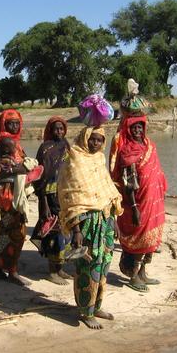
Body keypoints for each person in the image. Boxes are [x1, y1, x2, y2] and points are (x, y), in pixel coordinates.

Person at [58, 126, 123, 329]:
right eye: (92, 140)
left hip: (106, 220)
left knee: (104, 265)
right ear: (85, 139)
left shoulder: (99, 160)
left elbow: (108, 191)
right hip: (87, 223)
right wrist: (76, 230)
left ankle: (97, 306)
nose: (96, 144)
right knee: (89, 266)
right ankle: (85, 311)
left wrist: (116, 221)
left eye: (99, 140)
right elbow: (71, 197)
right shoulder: (74, 160)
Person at [110, 114, 167, 292]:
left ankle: (143, 272)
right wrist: (134, 208)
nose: (137, 130)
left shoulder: (150, 146)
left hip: (154, 202)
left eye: (140, 127)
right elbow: (128, 183)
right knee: (140, 239)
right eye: (134, 128)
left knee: (152, 240)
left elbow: (157, 172)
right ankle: (133, 276)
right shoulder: (127, 151)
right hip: (138, 203)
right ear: (128, 130)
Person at [0, 109, 32, 286]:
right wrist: (8, 168)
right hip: (7, 197)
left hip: (17, 196)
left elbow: (27, 165)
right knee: (16, 234)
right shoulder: (0, 146)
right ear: (4, 124)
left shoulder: (17, 145)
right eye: (10, 123)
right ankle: (12, 270)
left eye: (17, 123)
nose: (14, 126)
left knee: (5, 232)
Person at [31, 117, 72, 285]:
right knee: (52, 233)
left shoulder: (66, 146)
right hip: (48, 197)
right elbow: (39, 176)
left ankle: (60, 268)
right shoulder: (45, 148)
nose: (59, 132)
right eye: (56, 129)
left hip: (64, 195)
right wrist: (45, 203)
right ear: (50, 129)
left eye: (62, 129)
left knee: (65, 233)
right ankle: (51, 271)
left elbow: (71, 170)